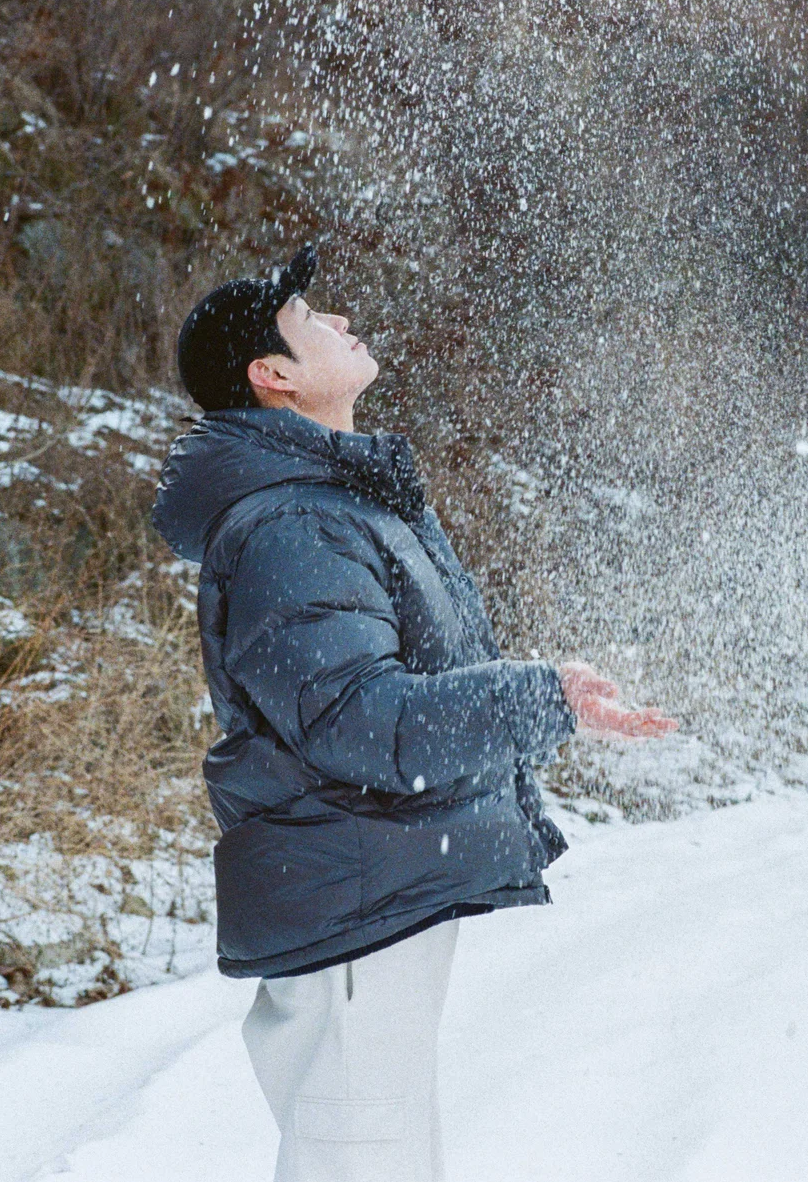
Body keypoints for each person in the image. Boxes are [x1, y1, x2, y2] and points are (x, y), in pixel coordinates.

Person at [151, 242, 675, 1182]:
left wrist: (555, 700)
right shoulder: (292, 524)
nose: (341, 321)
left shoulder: (332, 503)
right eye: (310, 319)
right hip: (353, 904)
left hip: (368, 896)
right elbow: (363, 721)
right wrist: (538, 696)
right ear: (274, 376)